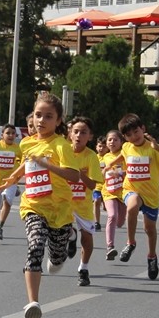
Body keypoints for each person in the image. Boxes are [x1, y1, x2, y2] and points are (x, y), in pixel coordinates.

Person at [0, 92, 79, 318]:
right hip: (33, 205)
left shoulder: (62, 145)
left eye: (48, 116)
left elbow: (74, 176)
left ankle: (68, 238)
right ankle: (33, 303)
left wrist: (49, 165)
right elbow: (27, 162)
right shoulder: (27, 142)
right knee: (35, 247)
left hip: (59, 210)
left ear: (59, 121)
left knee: (57, 258)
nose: (41, 120)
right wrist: (13, 178)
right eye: (38, 115)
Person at [115, 113, 159, 279]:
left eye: (136, 132)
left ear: (143, 129)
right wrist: (111, 165)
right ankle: (130, 243)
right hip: (131, 189)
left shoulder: (153, 148)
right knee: (133, 205)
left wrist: (158, 148)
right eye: (128, 135)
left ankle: (152, 256)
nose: (134, 137)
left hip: (150, 195)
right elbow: (123, 156)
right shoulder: (126, 147)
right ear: (124, 137)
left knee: (149, 229)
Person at [66, 116, 102, 287]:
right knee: (62, 229)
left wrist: (80, 174)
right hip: (63, 202)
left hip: (83, 204)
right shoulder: (63, 151)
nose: (79, 135)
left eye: (84, 132)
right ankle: (71, 236)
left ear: (90, 136)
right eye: (76, 132)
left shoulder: (91, 157)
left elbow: (93, 184)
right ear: (70, 134)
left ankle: (83, 268)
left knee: (87, 238)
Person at [99, 130, 126, 260]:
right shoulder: (104, 157)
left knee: (120, 222)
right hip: (108, 192)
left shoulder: (125, 155)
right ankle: (110, 247)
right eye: (110, 139)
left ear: (121, 142)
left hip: (123, 193)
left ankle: (116, 223)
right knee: (112, 216)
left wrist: (121, 173)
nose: (112, 142)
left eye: (115, 139)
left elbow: (131, 171)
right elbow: (101, 174)